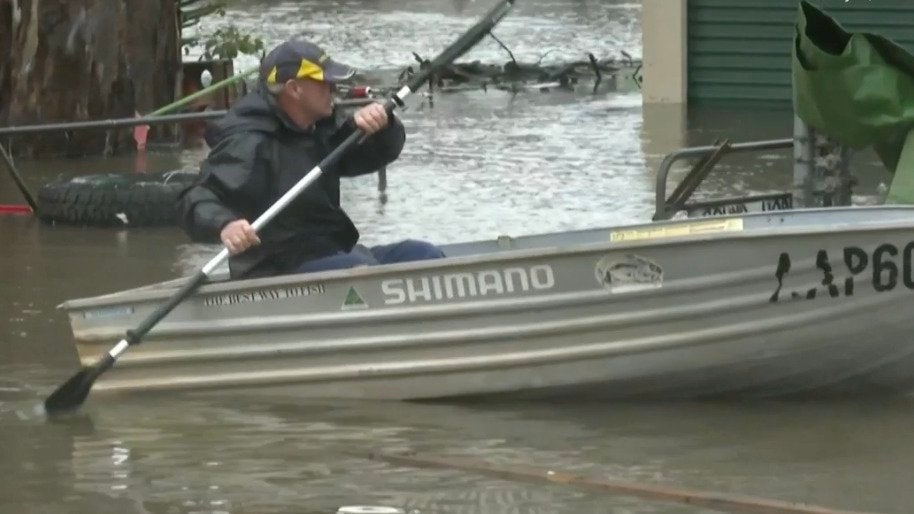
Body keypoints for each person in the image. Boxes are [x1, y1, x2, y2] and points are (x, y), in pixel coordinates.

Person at [178, 40, 445, 279]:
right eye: (324, 83)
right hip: (276, 268)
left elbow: (374, 155)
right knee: (357, 267)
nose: (333, 89)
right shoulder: (249, 142)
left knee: (423, 254)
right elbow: (198, 196)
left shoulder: (320, 129)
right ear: (294, 89)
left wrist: (384, 126)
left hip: (333, 254)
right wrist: (225, 225)